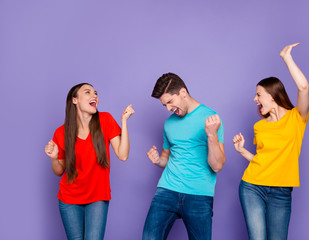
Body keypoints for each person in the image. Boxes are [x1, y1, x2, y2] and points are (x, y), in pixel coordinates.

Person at [233, 43, 309, 240]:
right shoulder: (260, 126)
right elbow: (263, 160)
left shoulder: (297, 118)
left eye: (258, 95)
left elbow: (303, 87)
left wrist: (286, 57)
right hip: (252, 187)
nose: (255, 99)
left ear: (273, 95)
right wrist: (242, 151)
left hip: (281, 192)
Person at [44, 83, 134, 240]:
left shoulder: (105, 120)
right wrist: (53, 157)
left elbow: (123, 154)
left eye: (95, 93)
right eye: (88, 92)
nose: (95, 96)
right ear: (75, 100)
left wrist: (124, 121)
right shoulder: (61, 132)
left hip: (98, 197)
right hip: (69, 199)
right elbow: (59, 171)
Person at [143, 73, 226, 240]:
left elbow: (216, 165)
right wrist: (158, 160)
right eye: (164, 105)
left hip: (199, 194)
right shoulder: (169, 123)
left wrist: (211, 135)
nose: (168, 109)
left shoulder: (211, 118)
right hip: (167, 189)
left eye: (169, 102)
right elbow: (166, 158)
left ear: (183, 93)